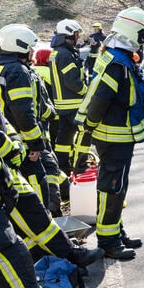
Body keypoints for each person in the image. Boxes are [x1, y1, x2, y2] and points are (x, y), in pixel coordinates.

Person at [0, 24, 76, 288]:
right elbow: (22, 113)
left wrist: (13, 153)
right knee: (15, 259)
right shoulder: (16, 72)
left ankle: (68, 255)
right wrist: (3, 171)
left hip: (0, 181)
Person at [75, 7, 144, 261]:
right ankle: (108, 241)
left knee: (118, 187)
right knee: (112, 188)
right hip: (113, 137)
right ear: (134, 32)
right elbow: (100, 100)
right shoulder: (117, 64)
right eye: (143, 34)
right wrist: (89, 131)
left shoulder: (118, 57)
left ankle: (116, 233)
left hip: (119, 137)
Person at [0, 25, 61, 212]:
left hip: (4, 141)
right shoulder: (17, 71)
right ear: (19, 46)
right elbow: (23, 111)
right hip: (22, 143)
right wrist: (36, 144)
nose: (33, 51)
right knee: (37, 190)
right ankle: (42, 234)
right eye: (30, 47)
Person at [49, 19, 88, 213]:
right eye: (76, 34)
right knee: (84, 133)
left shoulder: (59, 52)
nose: (78, 37)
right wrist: (87, 92)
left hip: (63, 105)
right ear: (69, 35)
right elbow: (73, 81)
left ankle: (63, 167)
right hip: (73, 104)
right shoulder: (65, 54)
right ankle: (80, 164)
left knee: (64, 138)